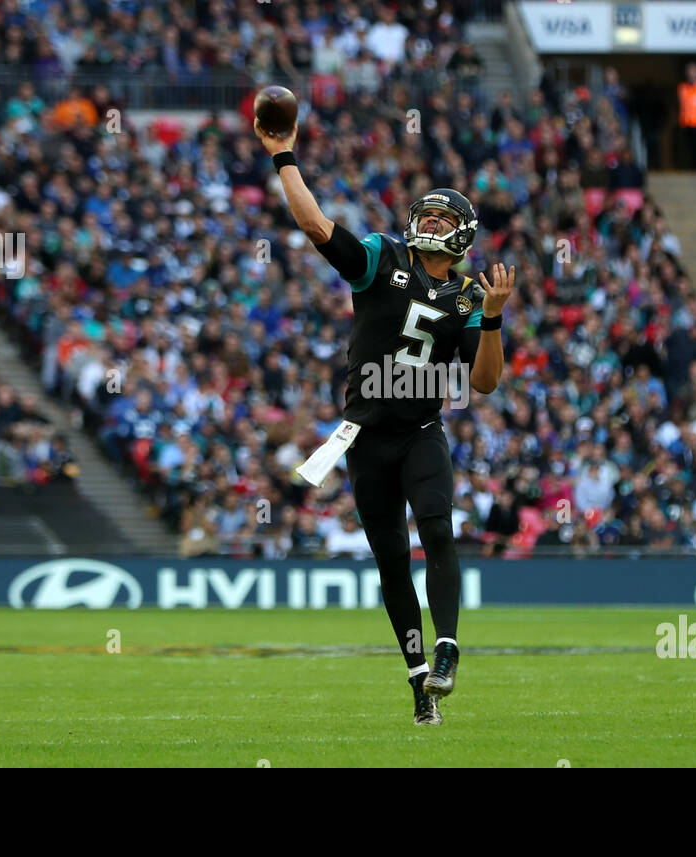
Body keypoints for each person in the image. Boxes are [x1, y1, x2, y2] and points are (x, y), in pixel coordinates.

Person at [256, 115, 514, 726]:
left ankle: (447, 652)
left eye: (444, 219)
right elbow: (317, 226)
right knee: (391, 561)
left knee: (438, 532)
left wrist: (496, 318)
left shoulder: (470, 297)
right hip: (366, 438)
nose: (430, 223)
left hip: (422, 431)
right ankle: (419, 678)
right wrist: (284, 156)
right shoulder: (380, 257)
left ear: (464, 235)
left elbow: (482, 382)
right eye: (426, 214)